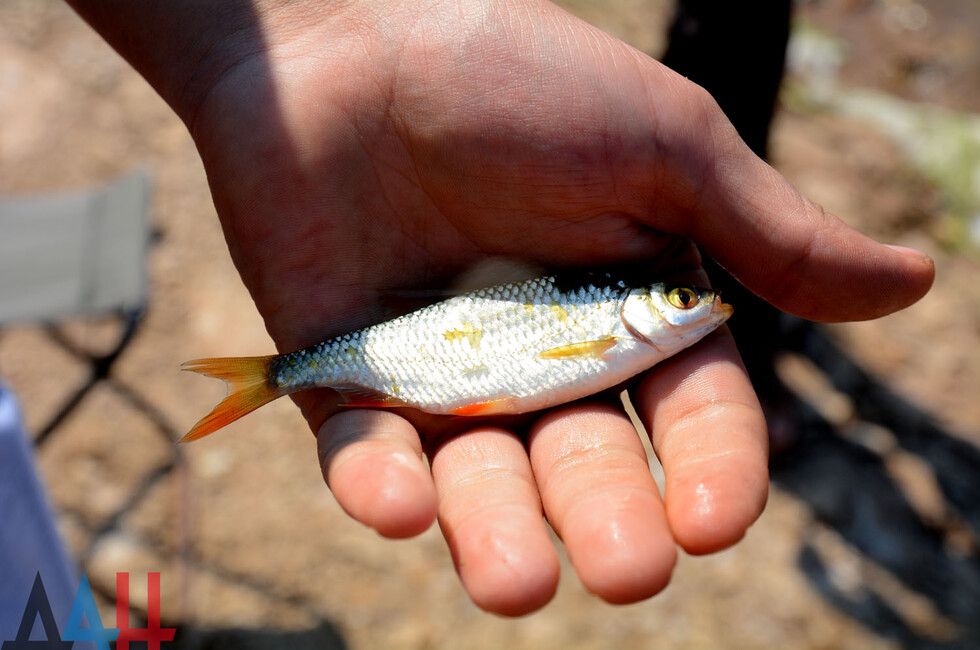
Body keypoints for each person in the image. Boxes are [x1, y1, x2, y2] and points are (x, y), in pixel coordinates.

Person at [64, 0, 934, 616]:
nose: (698, 307)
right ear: (635, 310)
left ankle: (283, 378)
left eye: (685, 301)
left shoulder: (626, 324)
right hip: (426, 349)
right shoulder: (620, 324)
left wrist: (283, 35)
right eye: (678, 301)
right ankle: (278, 380)